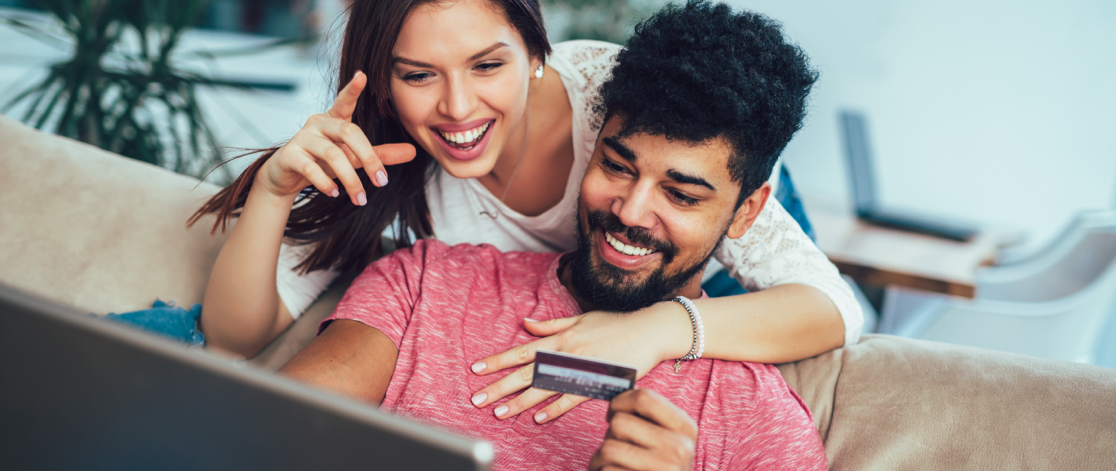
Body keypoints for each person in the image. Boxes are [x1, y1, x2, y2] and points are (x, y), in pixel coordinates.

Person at [189, 0, 861, 421]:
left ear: (535, 49)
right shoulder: (391, 161)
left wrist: (657, 330)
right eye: (418, 74)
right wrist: (274, 192)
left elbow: (834, 308)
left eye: (487, 65)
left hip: (686, 247)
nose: (457, 108)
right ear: (386, 81)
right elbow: (233, 335)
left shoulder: (617, 101)